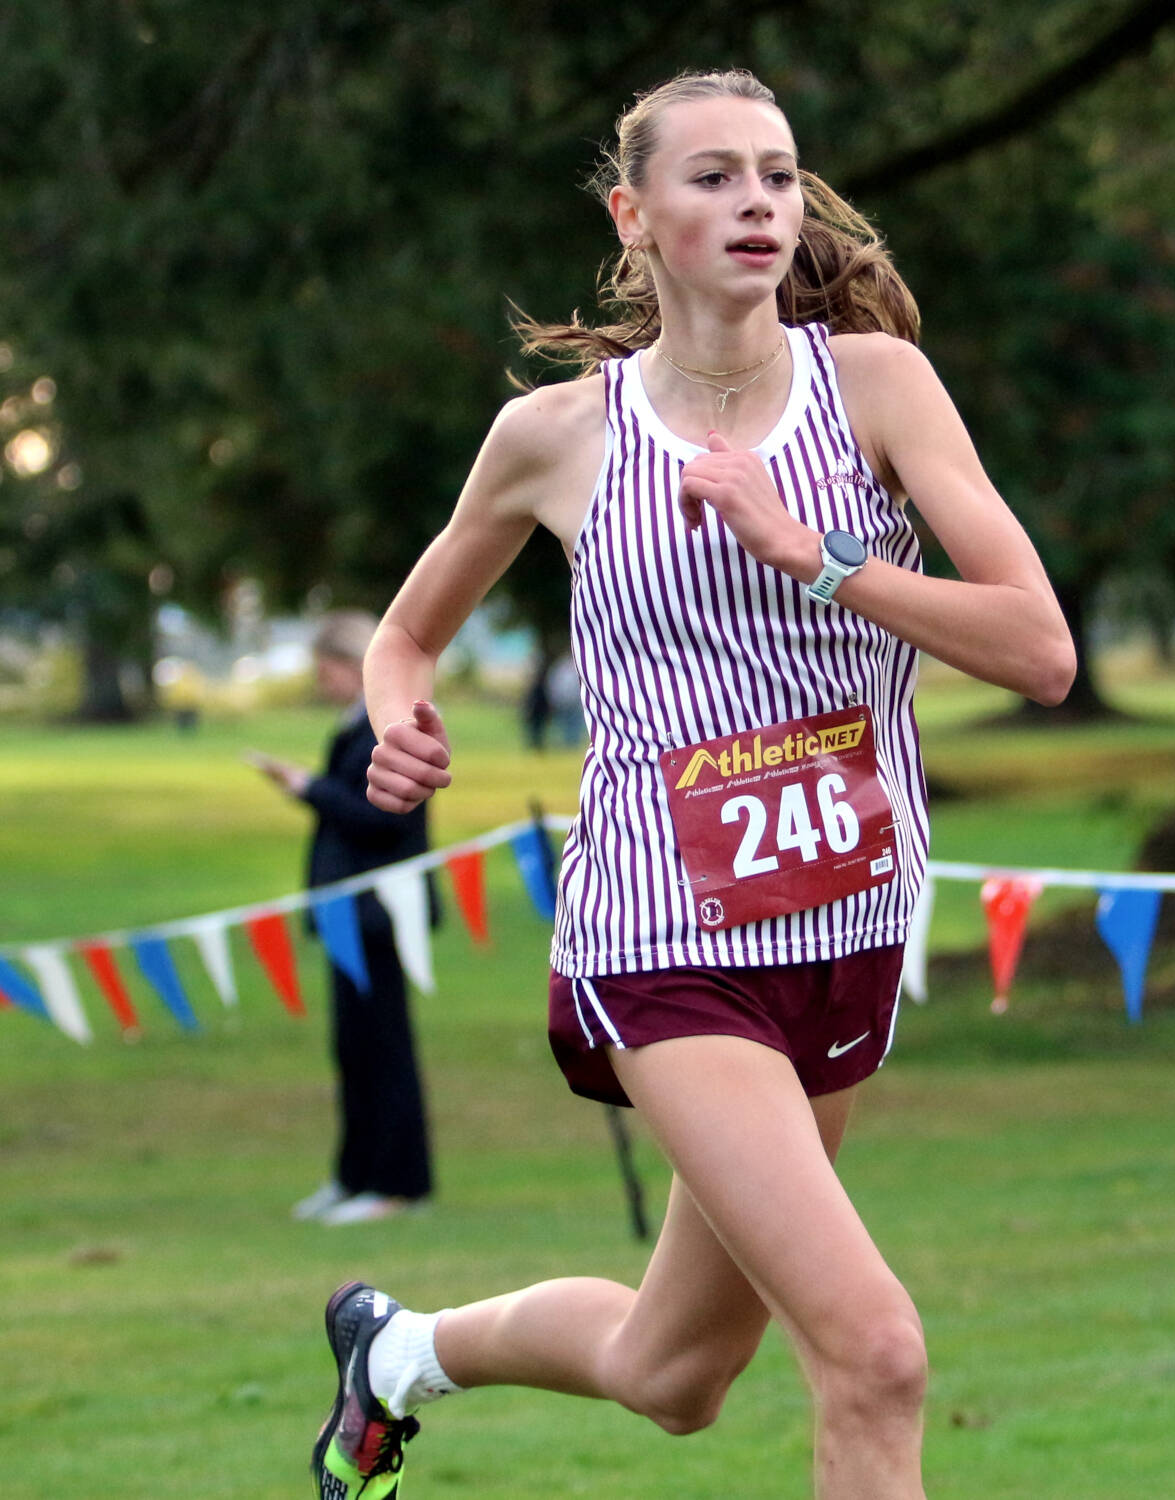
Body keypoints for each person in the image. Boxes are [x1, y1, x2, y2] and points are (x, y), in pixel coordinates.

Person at [311, 69, 1073, 1500]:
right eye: (714, 177)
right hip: (667, 944)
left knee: (677, 1376)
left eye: (778, 177)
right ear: (636, 214)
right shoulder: (557, 438)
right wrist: (398, 716)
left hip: (842, 927)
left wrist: (821, 558)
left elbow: (1037, 647)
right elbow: (408, 636)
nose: (758, 205)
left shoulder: (878, 388)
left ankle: (397, 1354)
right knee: (875, 1353)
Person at [248, 609, 436, 1227]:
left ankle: (396, 1183)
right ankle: (353, 1174)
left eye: (326, 668)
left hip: (379, 914)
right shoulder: (350, 725)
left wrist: (306, 787)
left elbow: (385, 818)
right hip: (341, 912)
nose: (321, 681)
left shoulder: (392, 728)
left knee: (384, 1048)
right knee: (352, 1049)